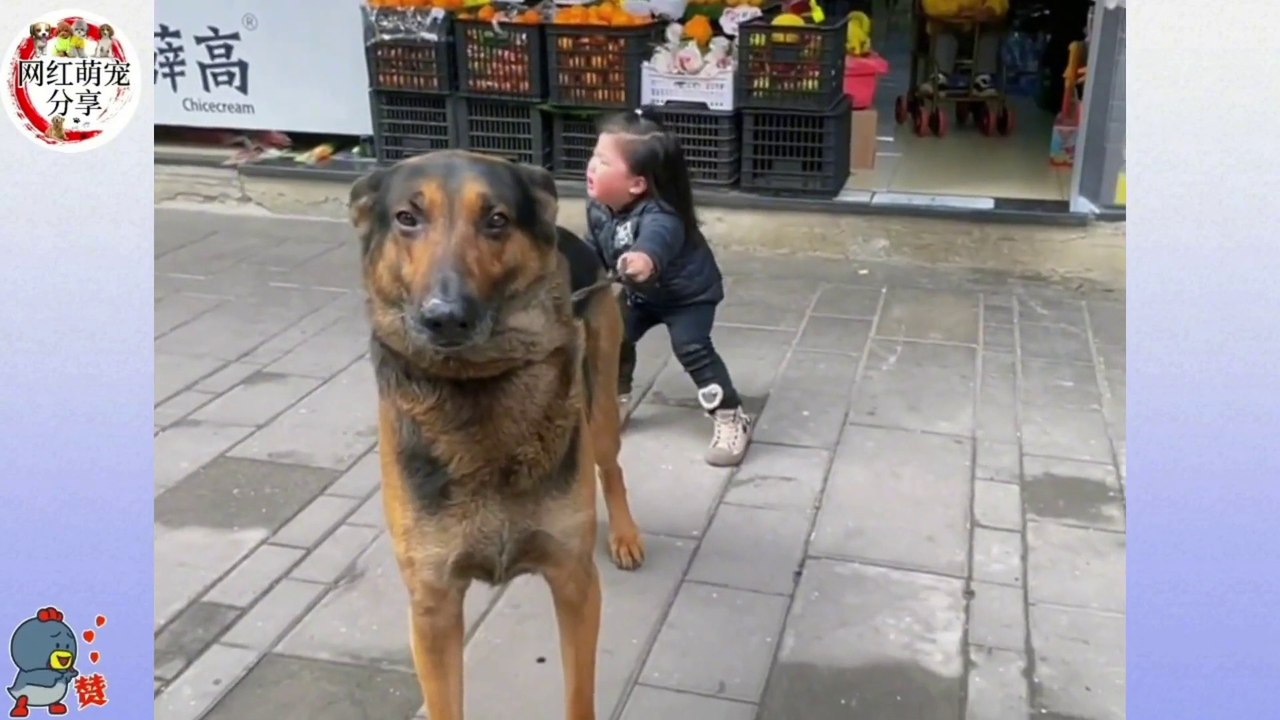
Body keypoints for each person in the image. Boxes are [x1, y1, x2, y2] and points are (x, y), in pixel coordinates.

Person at [584, 108, 753, 467]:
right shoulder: (599, 208)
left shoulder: (663, 215)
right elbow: (593, 247)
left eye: (603, 162)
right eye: (594, 155)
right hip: (640, 295)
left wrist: (641, 260)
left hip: (687, 297)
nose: (592, 166)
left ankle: (730, 415)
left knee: (691, 347)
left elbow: (655, 242)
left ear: (637, 184)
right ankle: (616, 399)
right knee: (613, 335)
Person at [919, 0, 1009, 97]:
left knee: (991, 31)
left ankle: (982, 79)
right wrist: (960, 11)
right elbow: (930, 5)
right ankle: (939, 77)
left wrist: (990, 9)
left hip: (976, 30)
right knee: (945, 32)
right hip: (946, 27)